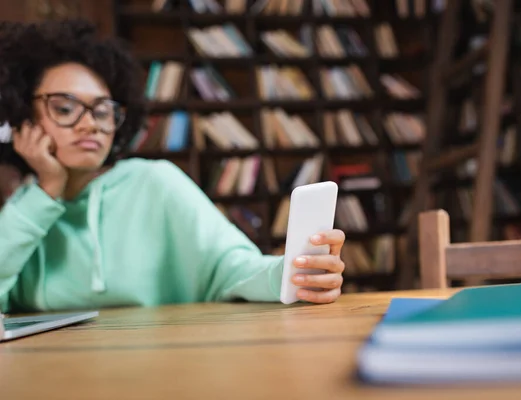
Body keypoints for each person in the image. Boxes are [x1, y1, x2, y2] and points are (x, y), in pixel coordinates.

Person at [0, 20, 346, 313]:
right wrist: (46, 192)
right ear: (23, 120)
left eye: (103, 110)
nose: (90, 124)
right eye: (64, 108)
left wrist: (295, 274)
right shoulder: (23, 210)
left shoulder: (154, 182)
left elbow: (232, 266)